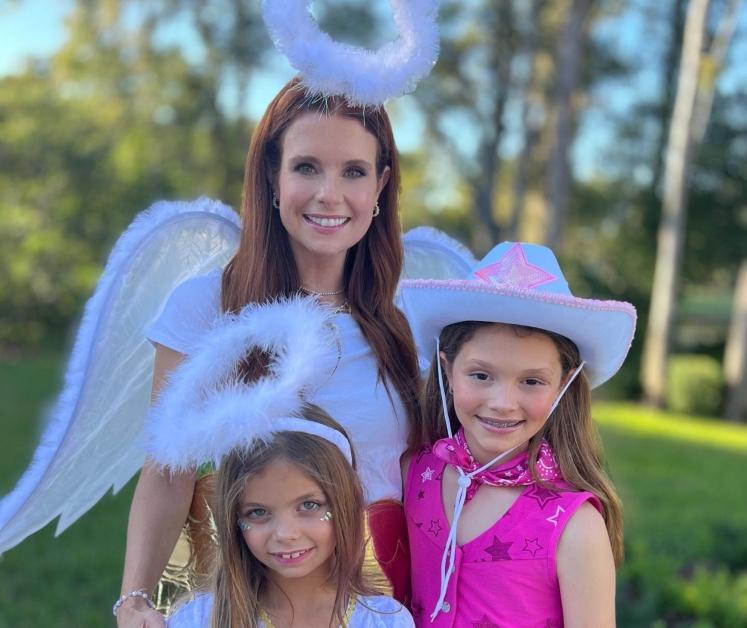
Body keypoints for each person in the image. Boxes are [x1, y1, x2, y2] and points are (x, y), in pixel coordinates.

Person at [116, 77, 421, 627]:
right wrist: (134, 599)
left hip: (379, 606)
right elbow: (168, 470)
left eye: (353, 171)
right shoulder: (207, 307)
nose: (329, 194)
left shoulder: (409, 321)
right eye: (307, 167)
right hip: (245, 604)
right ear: (272, 179)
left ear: (381, 186)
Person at [398, 241, 637, 627]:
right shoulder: (416, 474)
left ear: (562, 387)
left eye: (531, 381)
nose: (503, 402)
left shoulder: (574, 527)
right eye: (481, 375)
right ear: (447, 369)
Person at [165, 405, 414, 628]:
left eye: (308, 505)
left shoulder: (386, 620)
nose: (285, 533)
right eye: (258, 512)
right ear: (234, 521)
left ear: (344, 503)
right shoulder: (197, 620)